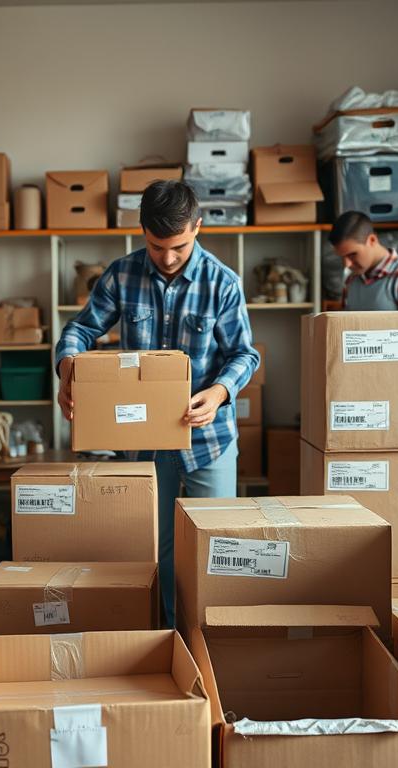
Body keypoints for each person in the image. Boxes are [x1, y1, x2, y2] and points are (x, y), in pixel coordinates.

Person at [54, 180, 259, 627]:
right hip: (143, 443)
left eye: (179, 247)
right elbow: (79, 330)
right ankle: (167, 637)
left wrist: (220, 392)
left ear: (198, 227)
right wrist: (68, 367)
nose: (167, 258)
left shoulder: (223, 282)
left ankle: (211, 638)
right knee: (154, 550)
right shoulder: (121, 275)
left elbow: (244, 353)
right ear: (141, 232)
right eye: (155, 246)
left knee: (215, 546)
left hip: (209, 440)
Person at [330, 211, 398, 310]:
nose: (347, 264)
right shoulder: (351, 278)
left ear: (372, 240)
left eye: (352, 254)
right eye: (342, 257)